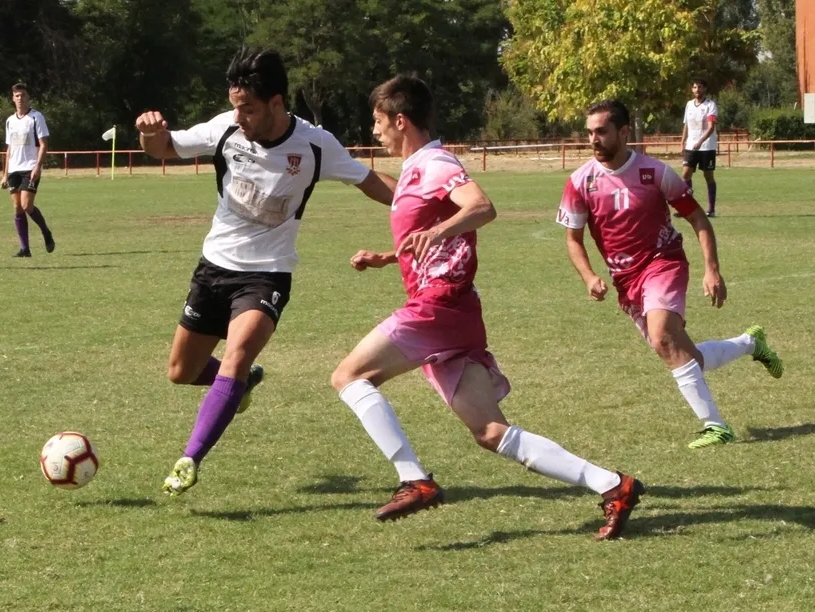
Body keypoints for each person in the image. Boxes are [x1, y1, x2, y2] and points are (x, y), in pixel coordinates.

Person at [330, 75, 645, 540]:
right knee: (492, 433)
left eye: (378, 122)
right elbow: (429, 231)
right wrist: (389, 256)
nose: (375, 132)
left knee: (348, 376)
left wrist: (436, 234)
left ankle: (413, 479)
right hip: (454, 314)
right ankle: (613, 485)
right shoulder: (416, 171)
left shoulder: (433, 163)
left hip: (440, 307)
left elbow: (481, 207)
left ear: (401, 120)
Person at [134, 47, 397, 496]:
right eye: (236, 105)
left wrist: (428, 207)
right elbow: (162, 149)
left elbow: (371, 183)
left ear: (277, 103)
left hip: (267, 275)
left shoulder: (316, 144)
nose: (239, 117)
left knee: (235, 358)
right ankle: (240, 385)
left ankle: (189, 458)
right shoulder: (224, 127)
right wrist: (148, 133)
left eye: (248, 108)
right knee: (180, 371)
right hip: (213, 268)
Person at [559, 99, 783, 450]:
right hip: (626, 281)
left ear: (623, 131)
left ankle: (716, 426)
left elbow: (697, 218)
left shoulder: (654, 172)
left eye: (601, 131)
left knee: (663, 339)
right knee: (684, 356)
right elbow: (573, 239)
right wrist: (588, 276)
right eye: (589, 132)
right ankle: (751, 343)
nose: (593, 139)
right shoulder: (579, 182)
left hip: (663, 262)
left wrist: (712, 269)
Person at [0, 83, 55, 257]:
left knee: (26, 205)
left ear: (28, 97)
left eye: (23, 94)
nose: (20, 98)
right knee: (17, 207)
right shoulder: (10, 121)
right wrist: (4, 174)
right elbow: (9, 149)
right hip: (14, 170)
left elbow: (44, 144)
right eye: (17, 95)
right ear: (12, 98)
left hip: (30, 167)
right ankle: (25, 249)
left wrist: (38, 166)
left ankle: (46, 232)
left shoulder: (36, 117)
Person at [680, 79, 718, 217]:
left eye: (700, 87)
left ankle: (711, 209)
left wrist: (701, 141)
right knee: (685, 175)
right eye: (695, 87)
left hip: (707, 147)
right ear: (692, 89)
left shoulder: (710, 105)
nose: (697, 90)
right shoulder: (689, 105)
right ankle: (688, 207)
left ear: (704, 89)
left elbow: (711, 127)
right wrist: (683, 141)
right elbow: (686, 125)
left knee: (708, 176)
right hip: (691, 146)